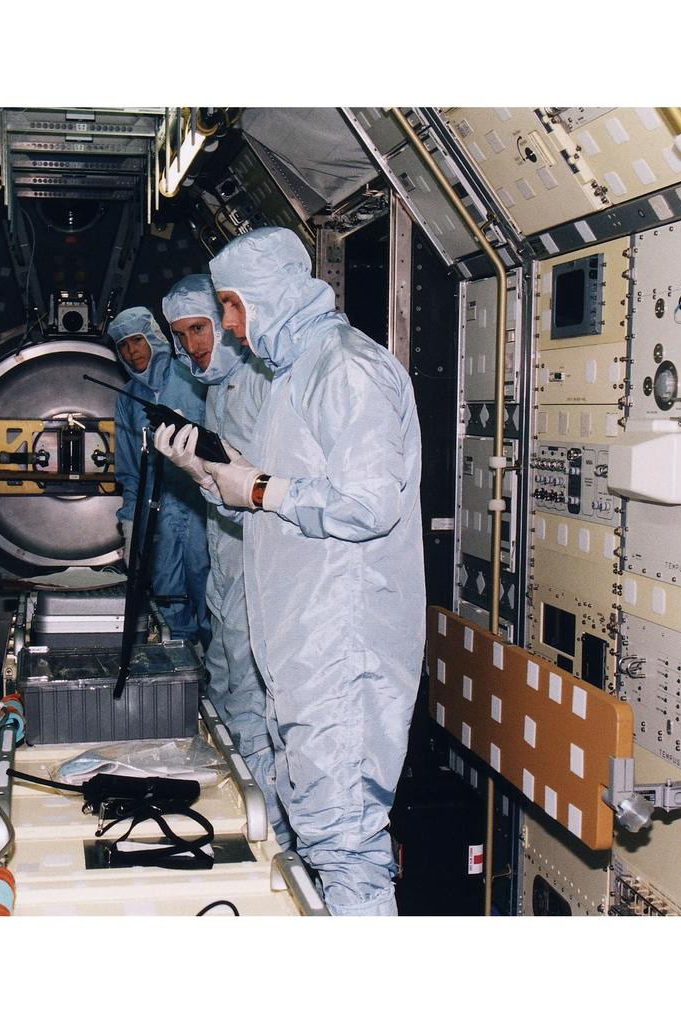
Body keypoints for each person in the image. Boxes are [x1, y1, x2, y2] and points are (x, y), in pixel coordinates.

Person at [161, 228, 425, 916]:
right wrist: (217, 481)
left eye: (233, 308)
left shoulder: (345, 370)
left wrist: (258, 489)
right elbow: (284, 500)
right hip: (304, 645)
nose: (230, 328)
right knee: (316, 832)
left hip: (343, 647)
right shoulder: (294, 378)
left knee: (347, 848)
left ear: (268, 295)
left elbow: (369, 504)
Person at [157, 275, 291, 849]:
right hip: (229, 570)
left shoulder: (262, 383)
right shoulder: (218, 389)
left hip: (263, 577)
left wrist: (221, 480)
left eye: (200, 328)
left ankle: (273, 846)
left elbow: (276, 495)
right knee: (233, 691)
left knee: (260, 709)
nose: (193, 345)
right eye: (181, 335)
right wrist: (204, 474)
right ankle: (253, 827)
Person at [107, 307, 210, 648]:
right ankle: (182, 674)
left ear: (152, 337)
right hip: (159, 517)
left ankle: (220, 684)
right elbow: (129, 472)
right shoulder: (127, 400)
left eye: (137, 340)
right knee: (167, 598)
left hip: (204, 510)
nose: (131, 351)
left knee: (213, 595)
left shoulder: (194, 378)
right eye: (123, 345)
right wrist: (130, 528)